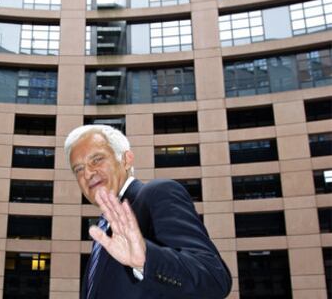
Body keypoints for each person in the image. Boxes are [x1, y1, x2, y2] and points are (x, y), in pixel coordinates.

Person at [64, 125, 232, 299]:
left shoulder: (159, 193)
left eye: (97, 159)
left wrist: (146, 260)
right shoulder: (103, 232)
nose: (88, 173)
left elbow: (214, 278)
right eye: (79, 169)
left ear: (126, 160)